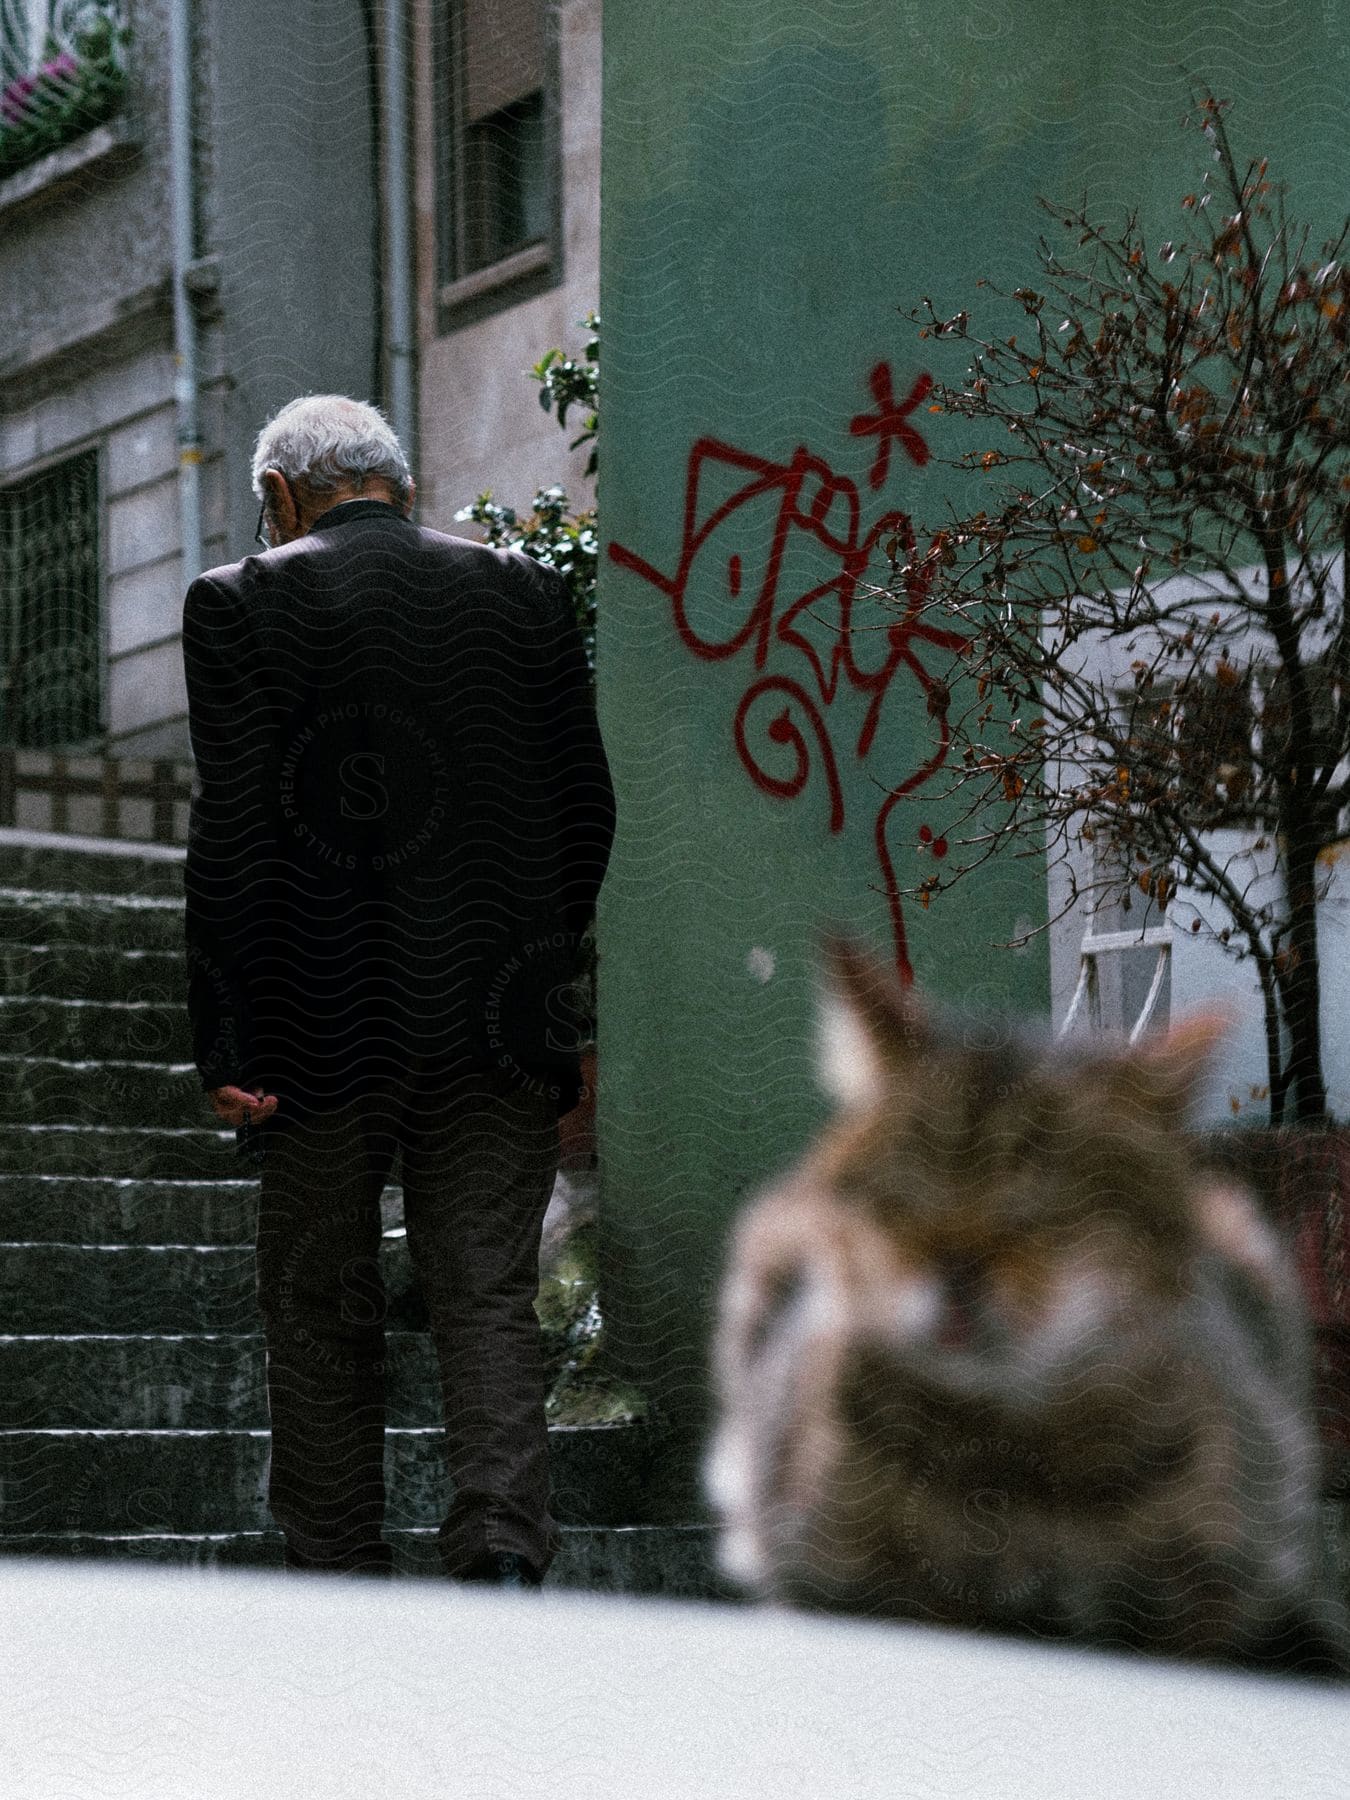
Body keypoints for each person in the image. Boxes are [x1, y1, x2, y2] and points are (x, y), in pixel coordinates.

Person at [181, 394, 615, 1585]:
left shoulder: (243, 600)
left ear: (281, 497)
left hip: (322, 1019)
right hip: (498, 1013)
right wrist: (534, 959)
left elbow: (236, 838)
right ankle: (500, 1548)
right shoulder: (522, 593)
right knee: (487, 1289)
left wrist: (227, 1035)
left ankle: (337, 1567)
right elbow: (587, 805)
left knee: (321, 1298)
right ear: (398, 485)